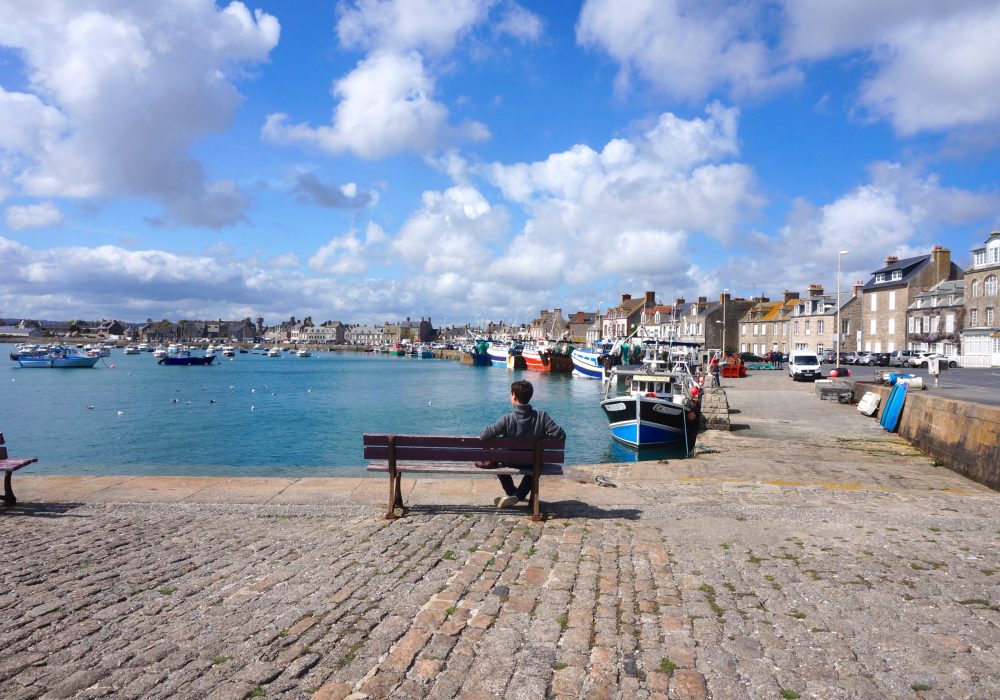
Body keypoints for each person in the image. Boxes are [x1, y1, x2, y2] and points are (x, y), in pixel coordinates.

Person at [480, 379, 565, 508]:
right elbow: (561, 435)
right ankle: (518, 495)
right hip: (533, 461)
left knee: (498, 461)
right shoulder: (542, 416)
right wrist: (544, 436)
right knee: (536, 466)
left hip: (510, 461)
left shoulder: (507, 419)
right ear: (529, 396)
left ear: (514, 395)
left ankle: (513, 493)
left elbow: (484, 435)